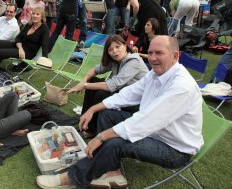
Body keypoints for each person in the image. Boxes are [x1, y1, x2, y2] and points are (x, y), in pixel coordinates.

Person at [36, 36, 203, 189]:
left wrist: (101, 137)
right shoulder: (155, 74)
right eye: (150, 52)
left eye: (159, 53)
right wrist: (94, 108)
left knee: (116, 142)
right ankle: (111, 170)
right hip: (155, 133)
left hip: (174, 149)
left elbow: (145, 121)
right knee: (107, 114)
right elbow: (129, 93)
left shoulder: (181, 87)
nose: (152, 58)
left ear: (175, 56)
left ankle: (73, 178)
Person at [67, 35, 148, 135]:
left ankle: (91, 129)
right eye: (110, 49)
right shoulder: (115, 61)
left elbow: (113, 85)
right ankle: (84, 121)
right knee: (92, 80)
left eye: (117, 47)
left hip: (137, 102)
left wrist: (84, 86)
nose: (114, 51)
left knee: (102, 93)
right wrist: (83, 81)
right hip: (124, 94)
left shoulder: (134, 61)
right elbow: (95, 69)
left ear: (125, 46)